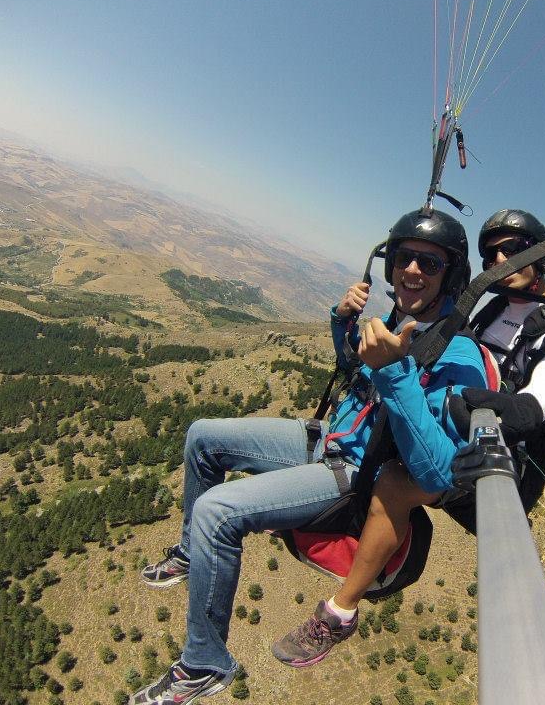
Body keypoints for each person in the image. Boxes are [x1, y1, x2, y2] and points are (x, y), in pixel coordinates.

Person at [130, 209, 487, 704]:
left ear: (451, 276)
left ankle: (204, 664)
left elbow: (437, 471)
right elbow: (353, 369)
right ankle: (193, 554)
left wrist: (395, 372)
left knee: (218, 513)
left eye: (429, 263)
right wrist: (343, 321)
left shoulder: (460, 357)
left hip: (351, 475)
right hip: (326, 439)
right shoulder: (395, 320)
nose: (412, 271)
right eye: (405, 258)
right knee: (202, 436)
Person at [303, 209, 545, 661]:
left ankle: (340, 610)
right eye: (491, 251)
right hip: (454, 430)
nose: (500, 258)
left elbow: (533, 408)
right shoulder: (489, 307)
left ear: (541, 259)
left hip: (488, 460)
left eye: (513, 250)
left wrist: (475, 401)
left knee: (396, 481)